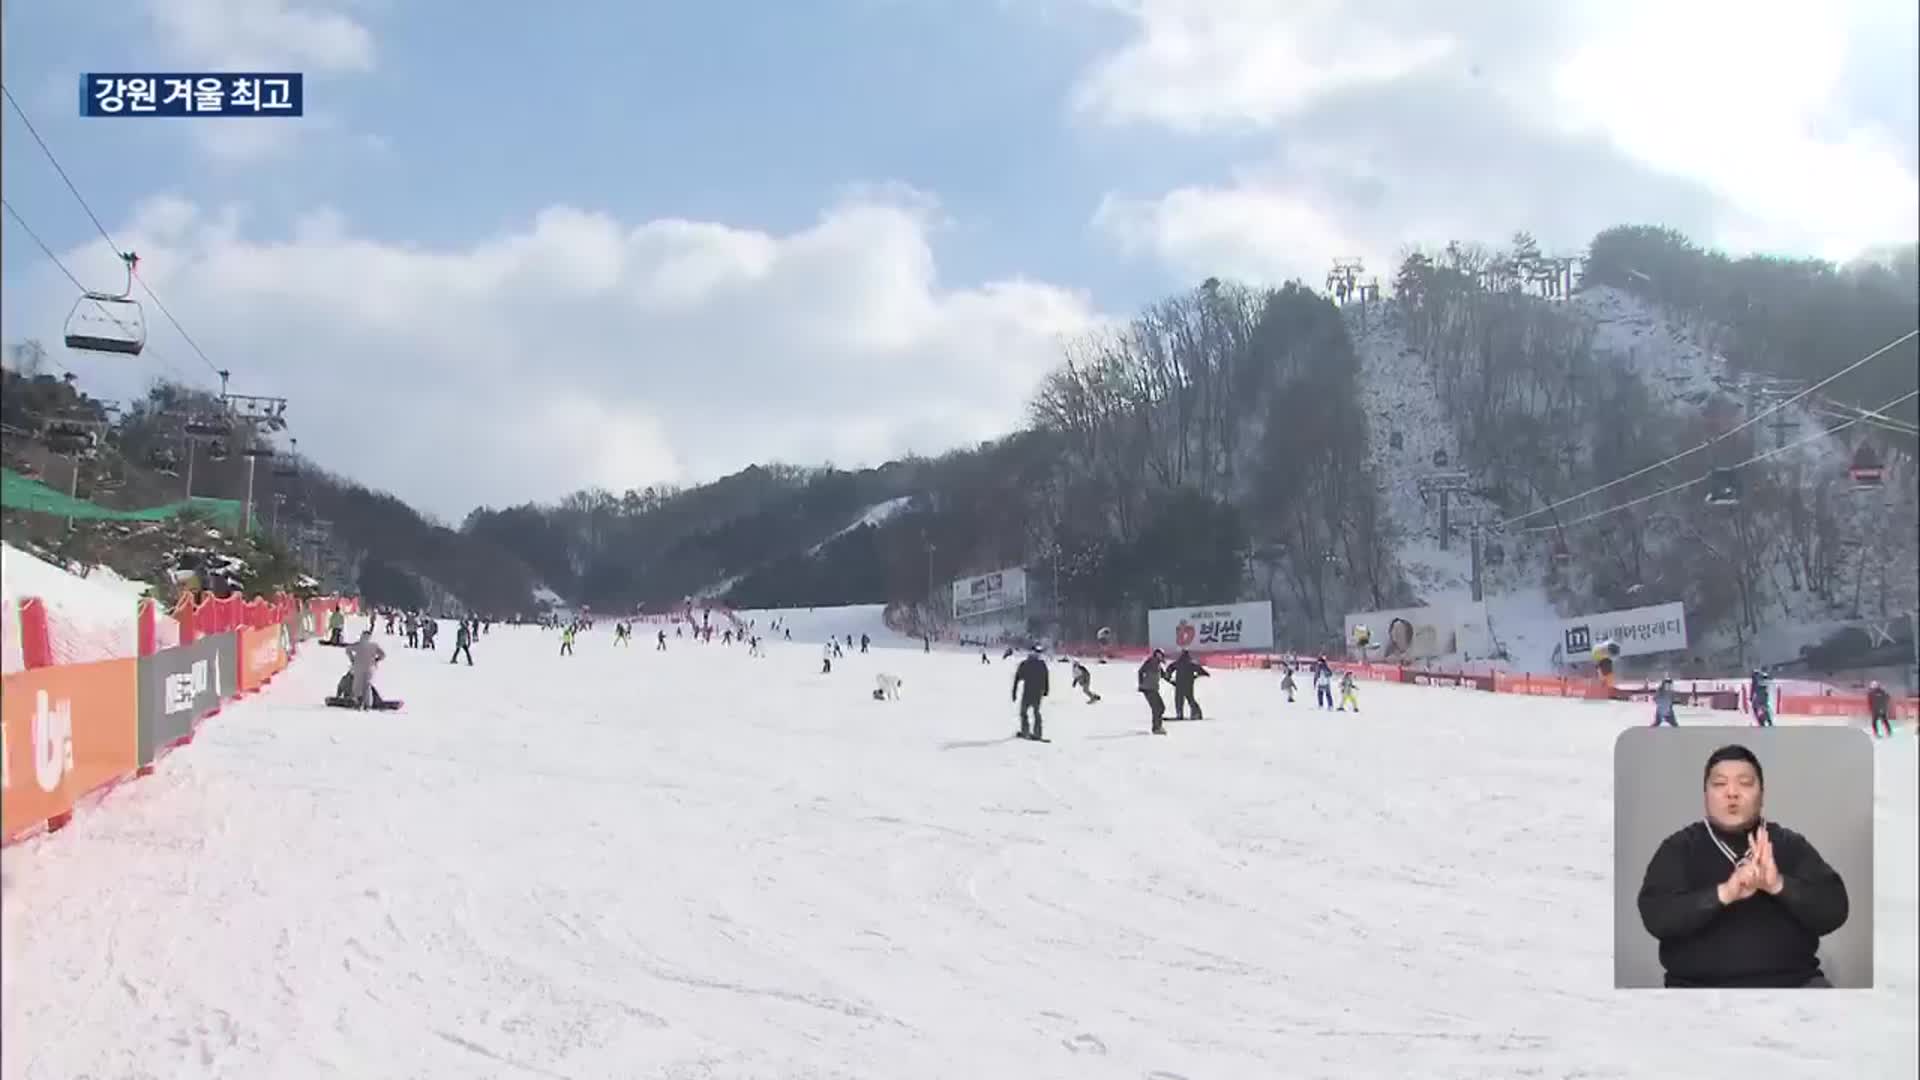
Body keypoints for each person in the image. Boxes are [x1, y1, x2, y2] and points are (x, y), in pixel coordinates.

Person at [1635, 744, 1850, 988]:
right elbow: (1656, 918)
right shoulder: (1679, 848)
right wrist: (1725, 893)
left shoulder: (1791, 844)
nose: (1732, 793)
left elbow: (1835, 911)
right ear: (1705, 794)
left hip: (1793, 984)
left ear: (1762, 793)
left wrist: (1778, 885)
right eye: (1719, 784)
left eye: (1745, 783)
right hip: (1697, 990)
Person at [341, 630, 387, 708]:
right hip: (370, 667)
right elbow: (383, 655)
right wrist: (376, 659)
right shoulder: (374, 645)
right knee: (367, 685)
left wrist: (352, 659)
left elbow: (348, 649)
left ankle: (357, 702)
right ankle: (367, 703)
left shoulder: (358, 644)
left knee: (357, 685)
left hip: (358, 667)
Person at [1012, 647, 1050, 739]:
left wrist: (1014, 692)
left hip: (1029, 692)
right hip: (1036, 692)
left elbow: (1017, 678)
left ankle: (1026, 731)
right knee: (1034, 712)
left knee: (1025, 712)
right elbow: (1046, 677)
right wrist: (1046, 690)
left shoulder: (1026, 664)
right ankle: (1036, 733)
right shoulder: (1040, 664)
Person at [1166, 649, 1209, 720]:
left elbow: (1169, 669)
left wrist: (1169, 678)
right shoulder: (1191, 663)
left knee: (1179, 700)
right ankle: (1196, 713)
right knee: (1190, 699)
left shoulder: (1178, 662)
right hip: (1188, 684)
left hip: (1179, 684)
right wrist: (1195, 676)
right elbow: (1202, 671)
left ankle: (1179, 714)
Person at [1136, 649, 1169, 735]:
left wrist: (1175, 682)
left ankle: (1157, 726)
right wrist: (1141, 683)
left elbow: (1164, 676)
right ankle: (1157, 728)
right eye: (1159, 655)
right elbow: (1141, 671)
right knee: (1157, 708)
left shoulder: (1158, 665)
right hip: (1148, 689)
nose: (1160, 657)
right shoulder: (1151, 662)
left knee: (1160, 707)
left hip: (1153, 689)